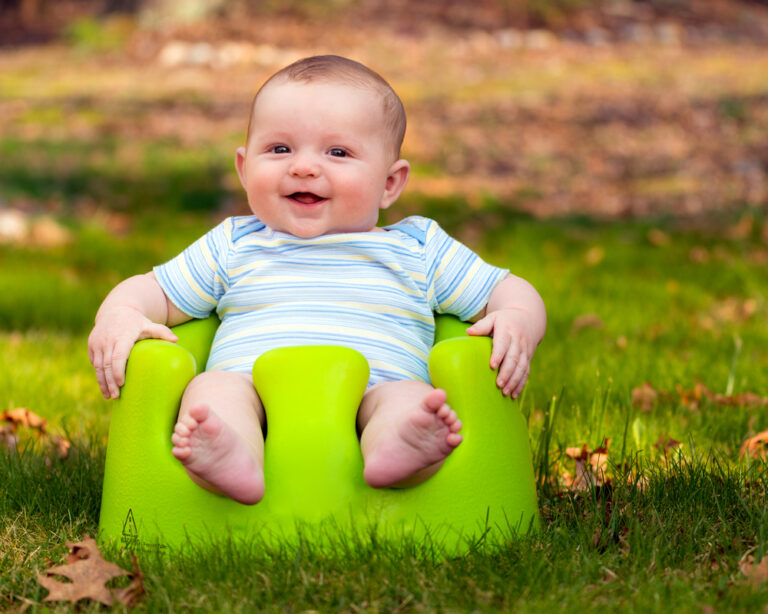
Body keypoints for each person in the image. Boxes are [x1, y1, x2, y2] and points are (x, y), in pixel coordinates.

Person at [88, 55, 546, 505]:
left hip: (374, 393)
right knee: (213, 392)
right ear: (244, 169)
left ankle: (403, 448)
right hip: (256, 397)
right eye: (280, 149)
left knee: (409, 401)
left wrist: (518, 317)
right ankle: (228, 454)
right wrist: (121, 314)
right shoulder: (234, 244)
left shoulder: (418, 248)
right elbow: (156, 291)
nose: (303, 167)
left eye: (338, 152)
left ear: (390, 183)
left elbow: (502, 289)